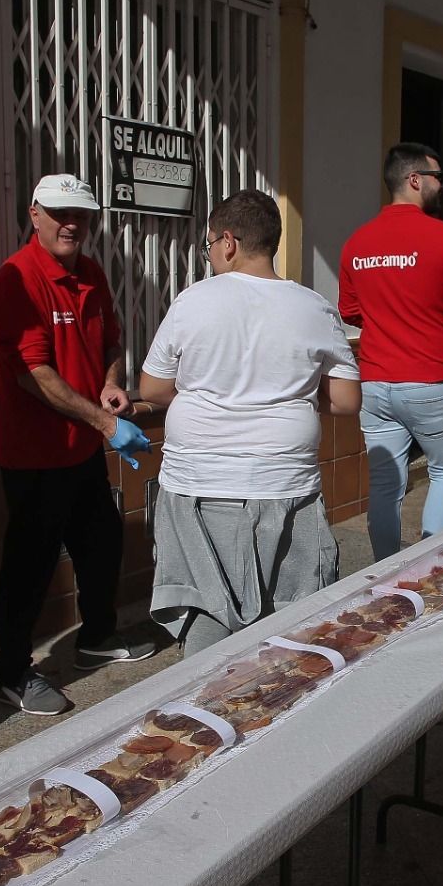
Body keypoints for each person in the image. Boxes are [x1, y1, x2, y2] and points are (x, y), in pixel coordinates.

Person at [142, 190, 360, 657]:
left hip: (197, 482)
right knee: (289, 610)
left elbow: (153, 389)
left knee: (206, 606)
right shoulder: (315, 306)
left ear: (227, 242)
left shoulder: (191, 301)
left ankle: (195, 709)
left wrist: (212, 393)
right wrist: (288, 391)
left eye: (208, 248)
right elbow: (344, 400)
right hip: (284, 481)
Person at [0, 175, 154, 717]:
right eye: (59, 213)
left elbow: (111, 340)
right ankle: (10, 673)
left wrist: (110, 382)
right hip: (36, 454)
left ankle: (96, 638)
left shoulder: (90, 273)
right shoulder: (18, 278)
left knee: (101, 544)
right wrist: (106, 427)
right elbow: (34, 373)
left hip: (81, 449)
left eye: (81, 215)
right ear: (35, 214)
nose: (71, 224)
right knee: (29, 566)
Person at [338, 143, 443, 561]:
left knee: (386, 485)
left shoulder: (357, 242)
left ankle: (385, 572)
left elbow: (349, 310)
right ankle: (429, 567)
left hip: (376, 382)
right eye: (438, 177)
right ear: (415, 180)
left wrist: (391, 317)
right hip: (432, 381)